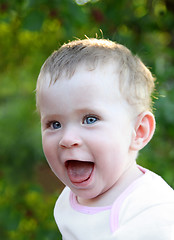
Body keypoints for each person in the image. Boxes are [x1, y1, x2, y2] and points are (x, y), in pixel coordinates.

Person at [36, 38, 174, 240]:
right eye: (54, 124)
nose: (67, 139)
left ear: (138, 131)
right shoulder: (68, 199)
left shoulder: (152, 209)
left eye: (90, 119)